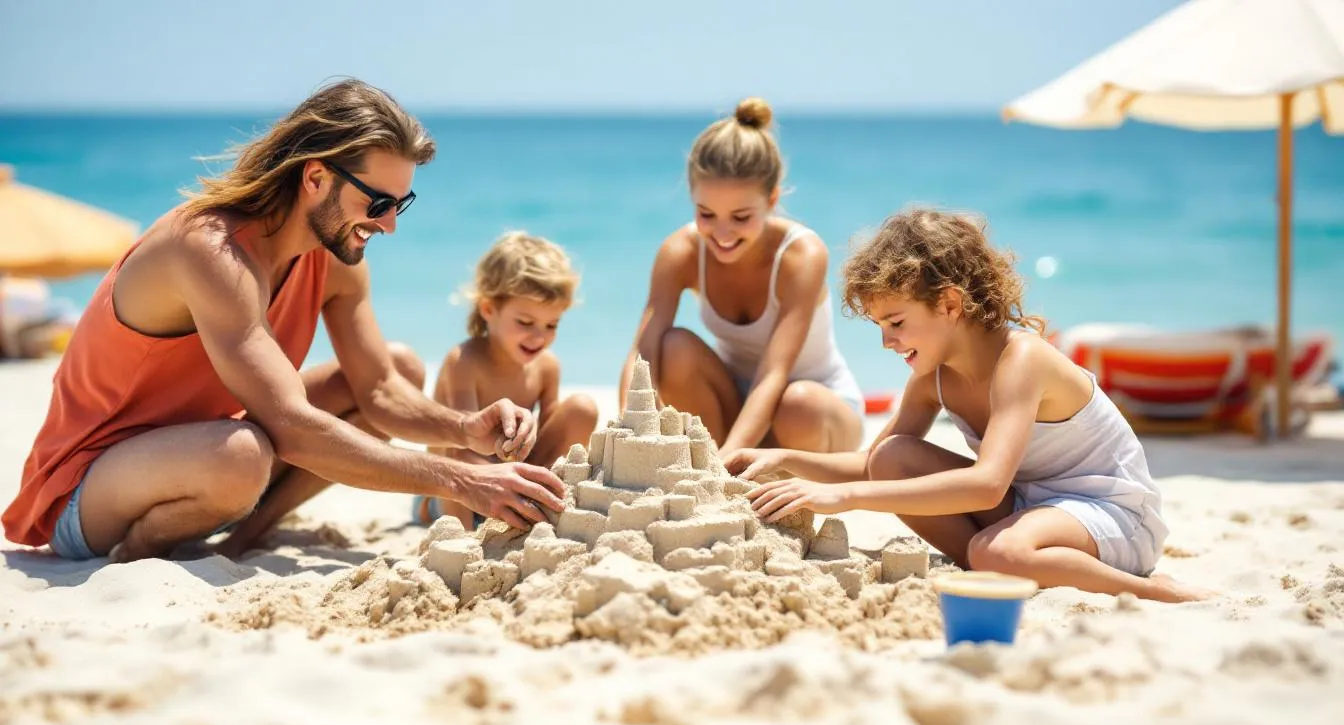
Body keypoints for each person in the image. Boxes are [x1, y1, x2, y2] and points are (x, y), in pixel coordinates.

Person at [2, 78, 566, 564]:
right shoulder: (210, 249)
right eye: (377, 203)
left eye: (402, 203)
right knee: (245, 452)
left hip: (198, 463)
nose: (390, 225)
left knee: (397, 362)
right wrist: (461, 478)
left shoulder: (336, 258)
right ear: (316, 178)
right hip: (85, 490)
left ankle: (241, 539)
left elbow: (379, 390)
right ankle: (138, 553)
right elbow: (291, 427)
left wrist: (463, 430)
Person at [727, 207, 1214, 603]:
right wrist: (786, 460)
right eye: (879, 327)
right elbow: (873, 466)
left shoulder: (1021, 358)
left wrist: (846, 499)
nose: (886, 342)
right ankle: (1004, 564)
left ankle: (1150, 590)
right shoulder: (932, 376)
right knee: (894, 456)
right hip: (1034, 505)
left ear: (951, 305)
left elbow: (986, 485)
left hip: (1110, 513)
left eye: (896, 322)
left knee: (993, 549)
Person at [619, 97, 864, 456]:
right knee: (673, 348)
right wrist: (627, 430)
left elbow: (774, 373)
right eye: (706, 213)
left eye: (740, 217)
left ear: (772, 199)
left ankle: (746, 471)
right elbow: (643, 352)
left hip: (816, 410)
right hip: (738, 404)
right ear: (692, 198)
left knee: (797, 405)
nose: (722, 233)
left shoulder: (801, 254)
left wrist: (728, 459)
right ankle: (719, 474)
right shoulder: (681, 251)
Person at [413, 231, 599, 529]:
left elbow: (554, 439)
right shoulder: (465, 361)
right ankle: (457, 541)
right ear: (488, 309)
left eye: (551, 324)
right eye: (525, 322)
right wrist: (497, 476)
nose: (539, 336)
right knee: (454, 445)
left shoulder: (547, 366)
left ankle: (546, 508)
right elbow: (461, 445)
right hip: (457, 489)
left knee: (582, 408)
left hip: (511, 485)